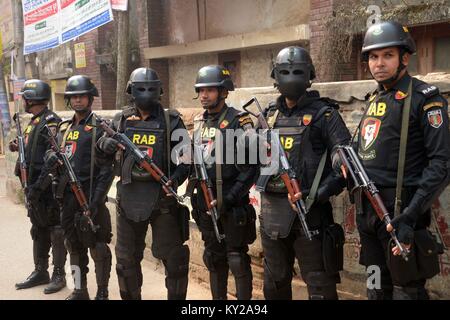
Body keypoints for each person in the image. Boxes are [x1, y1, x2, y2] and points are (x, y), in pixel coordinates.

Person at [353, 20, 450, 300]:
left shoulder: (424, 99)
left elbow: (441, 164)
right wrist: (341, 161)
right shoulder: (373, 99)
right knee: (375, 287)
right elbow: (359, 146)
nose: (378, 63)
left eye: (387, 55)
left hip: (402, 212)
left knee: (408, 290)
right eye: (373, 56)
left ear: (404, 58)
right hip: (368, 216)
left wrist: (411, 214)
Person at [259, 46, 351, 300]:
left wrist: (318, 194)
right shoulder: (268, 116)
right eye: (284, 72)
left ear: (309, 75)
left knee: (319, 287)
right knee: (274, 286)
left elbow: (344, 164)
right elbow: (253, 162)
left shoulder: (325, 114)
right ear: (275, 77)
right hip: (272, 215)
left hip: (311, 213)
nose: (290, 77)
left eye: (297, 71)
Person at [96, 67, 190, 300]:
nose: (146, 93)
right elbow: (101, 158)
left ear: (159, 91)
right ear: (131, 91)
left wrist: (174, 180)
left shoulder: (172, 122)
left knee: (175, 261)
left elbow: (187, 160)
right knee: (126, 264)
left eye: (151, 88)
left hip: (163, 202)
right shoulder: (120, 121)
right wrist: (103, 145)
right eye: (141, 88)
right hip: (128, 200)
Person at [190, 65, 257, 300]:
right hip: (206, 205)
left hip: (232, 204)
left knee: (237, 259)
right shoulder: (198, 124)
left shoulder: (239, 120)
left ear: (224, 92)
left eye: (210, 89)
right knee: (214, 259)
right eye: (200, 90)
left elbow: (252, 169)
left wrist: (229, 198)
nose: (204, 95)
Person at [47, 75, 113, 300]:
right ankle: (79, 289)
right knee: (72, 245)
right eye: (73, 97)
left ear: (90, 98)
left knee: (99, 247)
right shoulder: (64, 128)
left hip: (90, 196)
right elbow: (55, 155)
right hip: (67, 198)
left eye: (81, 96)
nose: (77, 101)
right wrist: (50, 158)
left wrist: (95, 202)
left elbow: (107, 170)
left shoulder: (100, 127)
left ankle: (102, 292)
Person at [10, 79, 67, 294]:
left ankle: (58, 274)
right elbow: (32, 148)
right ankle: (40, 270)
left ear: (32, 99)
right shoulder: (35, 121)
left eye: (25, 97)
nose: (23, 101)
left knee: (56, 230)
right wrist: (18, 145)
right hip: (33, 186)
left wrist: (38, 188)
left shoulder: (51, 122)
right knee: (38, 229)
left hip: (47, 188)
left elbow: (54, 160)